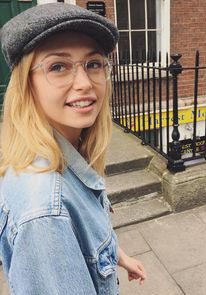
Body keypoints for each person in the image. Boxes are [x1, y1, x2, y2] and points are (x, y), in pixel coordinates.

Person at [0, 3, 146, 295]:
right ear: (27, 85)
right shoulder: (45, 213)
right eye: (58, 66)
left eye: (93, 64)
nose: (84, 83)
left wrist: (120, 257)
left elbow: (87, 233)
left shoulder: (66, 150)